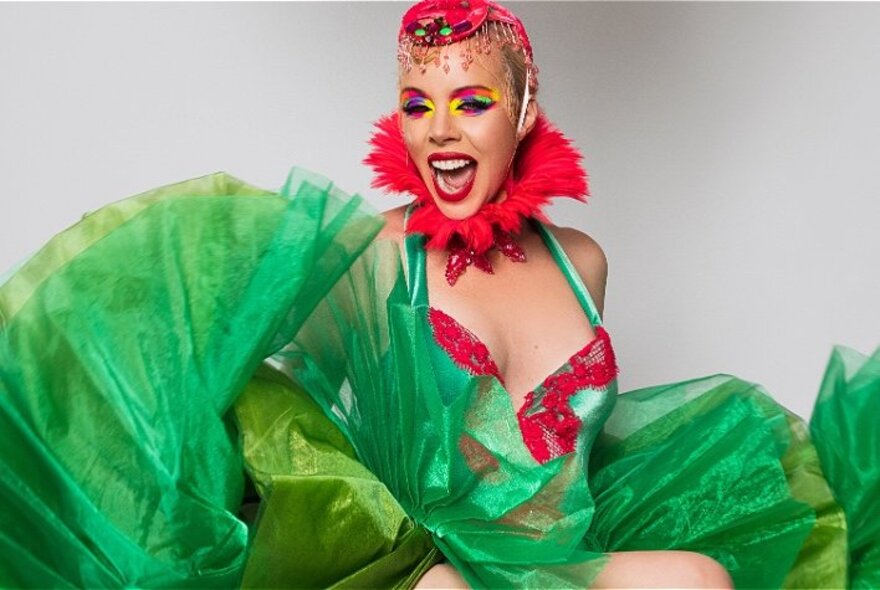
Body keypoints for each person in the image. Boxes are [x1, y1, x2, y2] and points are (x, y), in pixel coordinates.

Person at [0, 1, 877, 589]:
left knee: (697, 578)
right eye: (418, 106)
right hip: (425, 566)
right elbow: (218, 336)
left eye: (472, 101)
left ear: (523, 111)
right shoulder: (375, 253)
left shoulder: (584, 261)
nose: (442, 130)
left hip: (559, 556)